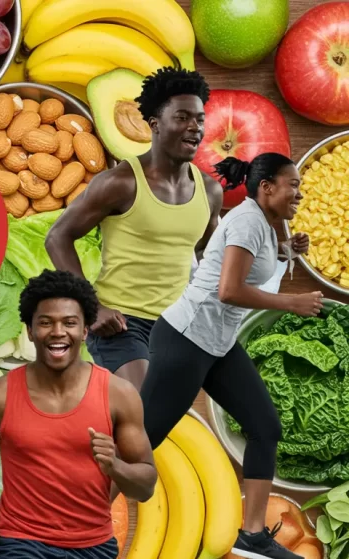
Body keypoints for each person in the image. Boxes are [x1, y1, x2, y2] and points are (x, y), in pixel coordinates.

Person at [140, 153, 320, 559]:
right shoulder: (245, 220)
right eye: (292, 184)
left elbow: (252, 264)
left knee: (264, 428)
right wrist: (291, 303)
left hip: (216, 343)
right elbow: (229, 290)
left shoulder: (262, 222)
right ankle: (71, 524)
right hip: (186, 339)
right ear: (267, 187)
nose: (299, 192)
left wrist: (287, 250)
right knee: (141, 442)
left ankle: (252, 535)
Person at [0, 269, 157, 559]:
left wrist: (114, 466)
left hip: (94, 545)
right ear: (30, 331)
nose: (58, 332)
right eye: (45, 322)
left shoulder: (119, 395)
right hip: (21, 541)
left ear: (85, 330)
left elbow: (145, 487)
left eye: (69, 323)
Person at [45, 66, 224, 390]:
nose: (194, 128)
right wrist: (92, 307)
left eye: (199, 119)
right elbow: (58, 237)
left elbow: (205, 254)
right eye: (182, 118)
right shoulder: (121, 182)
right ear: (154, 124)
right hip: (120, 324)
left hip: (174, 325)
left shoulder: (211, 191)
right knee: (144, 406)